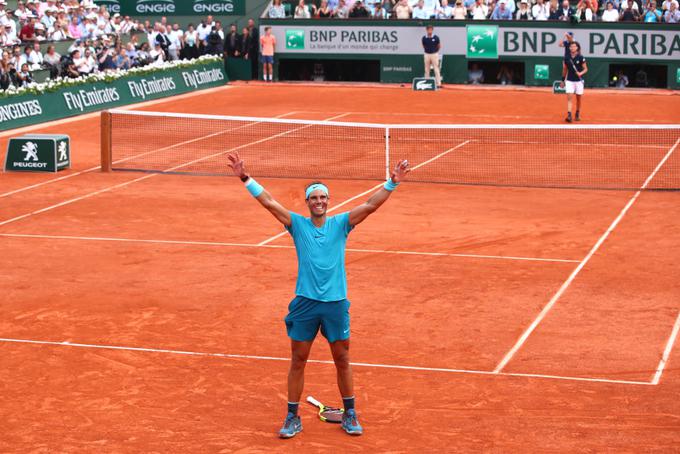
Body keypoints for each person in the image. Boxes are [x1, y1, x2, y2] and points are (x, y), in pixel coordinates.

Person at [226, 151, 411, 439]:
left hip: (336, 303)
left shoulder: (342, 224)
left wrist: (392, 183)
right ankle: (292, 417)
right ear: (308, 202)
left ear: (329, 200)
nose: (319, 201)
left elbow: (371, 205)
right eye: (314, 198)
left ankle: (350, 413)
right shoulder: (297, 225)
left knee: (342, 358)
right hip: (306, 304)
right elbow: (269, 203)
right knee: (298, 360)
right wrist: (245, 177)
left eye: (323, 197)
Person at [559, 35, 587, 122]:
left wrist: (580, 73)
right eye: (571, 46)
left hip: (579, 81)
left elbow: (586, 69)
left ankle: (577, 113)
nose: (572, 48)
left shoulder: (581, 57)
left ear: (577, 48)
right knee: (569, 98)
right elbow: (564, 70)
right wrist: (563, 80)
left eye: (574, 46)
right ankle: (569, 115)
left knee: (578, 99)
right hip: (570, 80)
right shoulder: (566, 58)